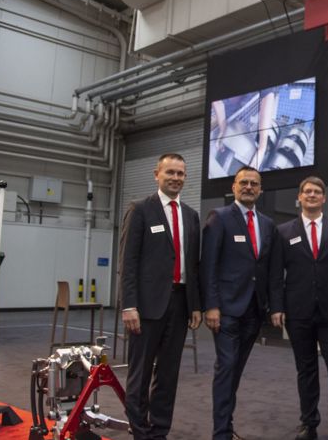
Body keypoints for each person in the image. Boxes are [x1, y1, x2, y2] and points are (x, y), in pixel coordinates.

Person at [119, 153, 202, 440]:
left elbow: (193, 265)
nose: (176, 178)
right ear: (157, 174)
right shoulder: (140, 209)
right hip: (145, 307)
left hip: (180, 305)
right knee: (140, 375)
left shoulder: (191, 216)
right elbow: (128, 262)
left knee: (168, 375)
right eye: (170, 172)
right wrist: (129, 305)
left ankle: (159, 432)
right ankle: (140, 432)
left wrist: (195, 305)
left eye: (180, 173)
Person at [270, 177, 328, 440]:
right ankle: (309, 424)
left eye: (317, 191)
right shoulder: (283, 231)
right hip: (298, 312)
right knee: (306, 370)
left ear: (324, 198)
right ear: (299, 196)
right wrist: (276, 306)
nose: (312, 195)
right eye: (307, 191)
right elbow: (275, 273)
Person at [200, 166, 282, 440]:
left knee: (235, 369)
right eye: (244, 182)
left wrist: (274, 306)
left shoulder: (268, 224)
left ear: (260, 190)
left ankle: (226, 423)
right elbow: (208, 265)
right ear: (234, 187)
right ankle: (221, 433)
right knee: (226, 367)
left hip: (254, 310)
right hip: (225, 310)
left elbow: (271, 269)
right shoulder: (220, 217)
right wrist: (211, 306)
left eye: (254, 184)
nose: (249, 187)